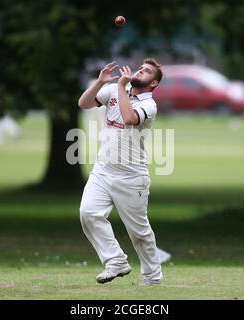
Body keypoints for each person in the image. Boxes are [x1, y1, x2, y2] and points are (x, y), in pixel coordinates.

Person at [78, 58, 164, 285]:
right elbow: (84, 103)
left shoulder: (149, 105)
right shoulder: (115, 89)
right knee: (88, 213)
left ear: (153, 83)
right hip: (103, 170)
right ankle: (115, 260)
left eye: (147, 72)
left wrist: (119, 88)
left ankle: (153, 278)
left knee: (139, 232)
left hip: (132, 176)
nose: (141, 71)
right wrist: (99, 83)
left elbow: (129, 119)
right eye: (141, 68)